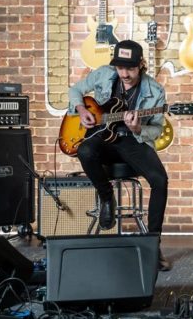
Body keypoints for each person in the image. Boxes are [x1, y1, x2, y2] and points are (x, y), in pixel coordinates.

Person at [68, 40, 171, 271]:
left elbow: (156, 128)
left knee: (160, 181)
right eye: (120, 68)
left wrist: (138, 129)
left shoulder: (155, 90)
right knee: (85, 149)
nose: (124, 74)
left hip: (132, 140)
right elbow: (75, 90)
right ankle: (106, 198)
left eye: (131, 68)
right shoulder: (104, 75)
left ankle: (152, 244)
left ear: (141, 64)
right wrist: (82, 109)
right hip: (103, 136)